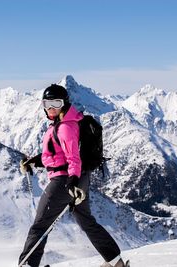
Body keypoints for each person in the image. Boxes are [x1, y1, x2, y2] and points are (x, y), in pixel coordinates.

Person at [18, 84, 126, 267]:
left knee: (40, 225)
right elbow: (57, 156)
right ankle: (115, 261)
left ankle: (27, 265)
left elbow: (73, 158)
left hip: (65, 181)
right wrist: (34, 162)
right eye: (47, 103)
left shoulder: (66, 127)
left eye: (56, 103)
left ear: (65, 103)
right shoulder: (66, 123)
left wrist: (71, 182)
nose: (51, 108)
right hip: (78, 180)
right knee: (86, 221)